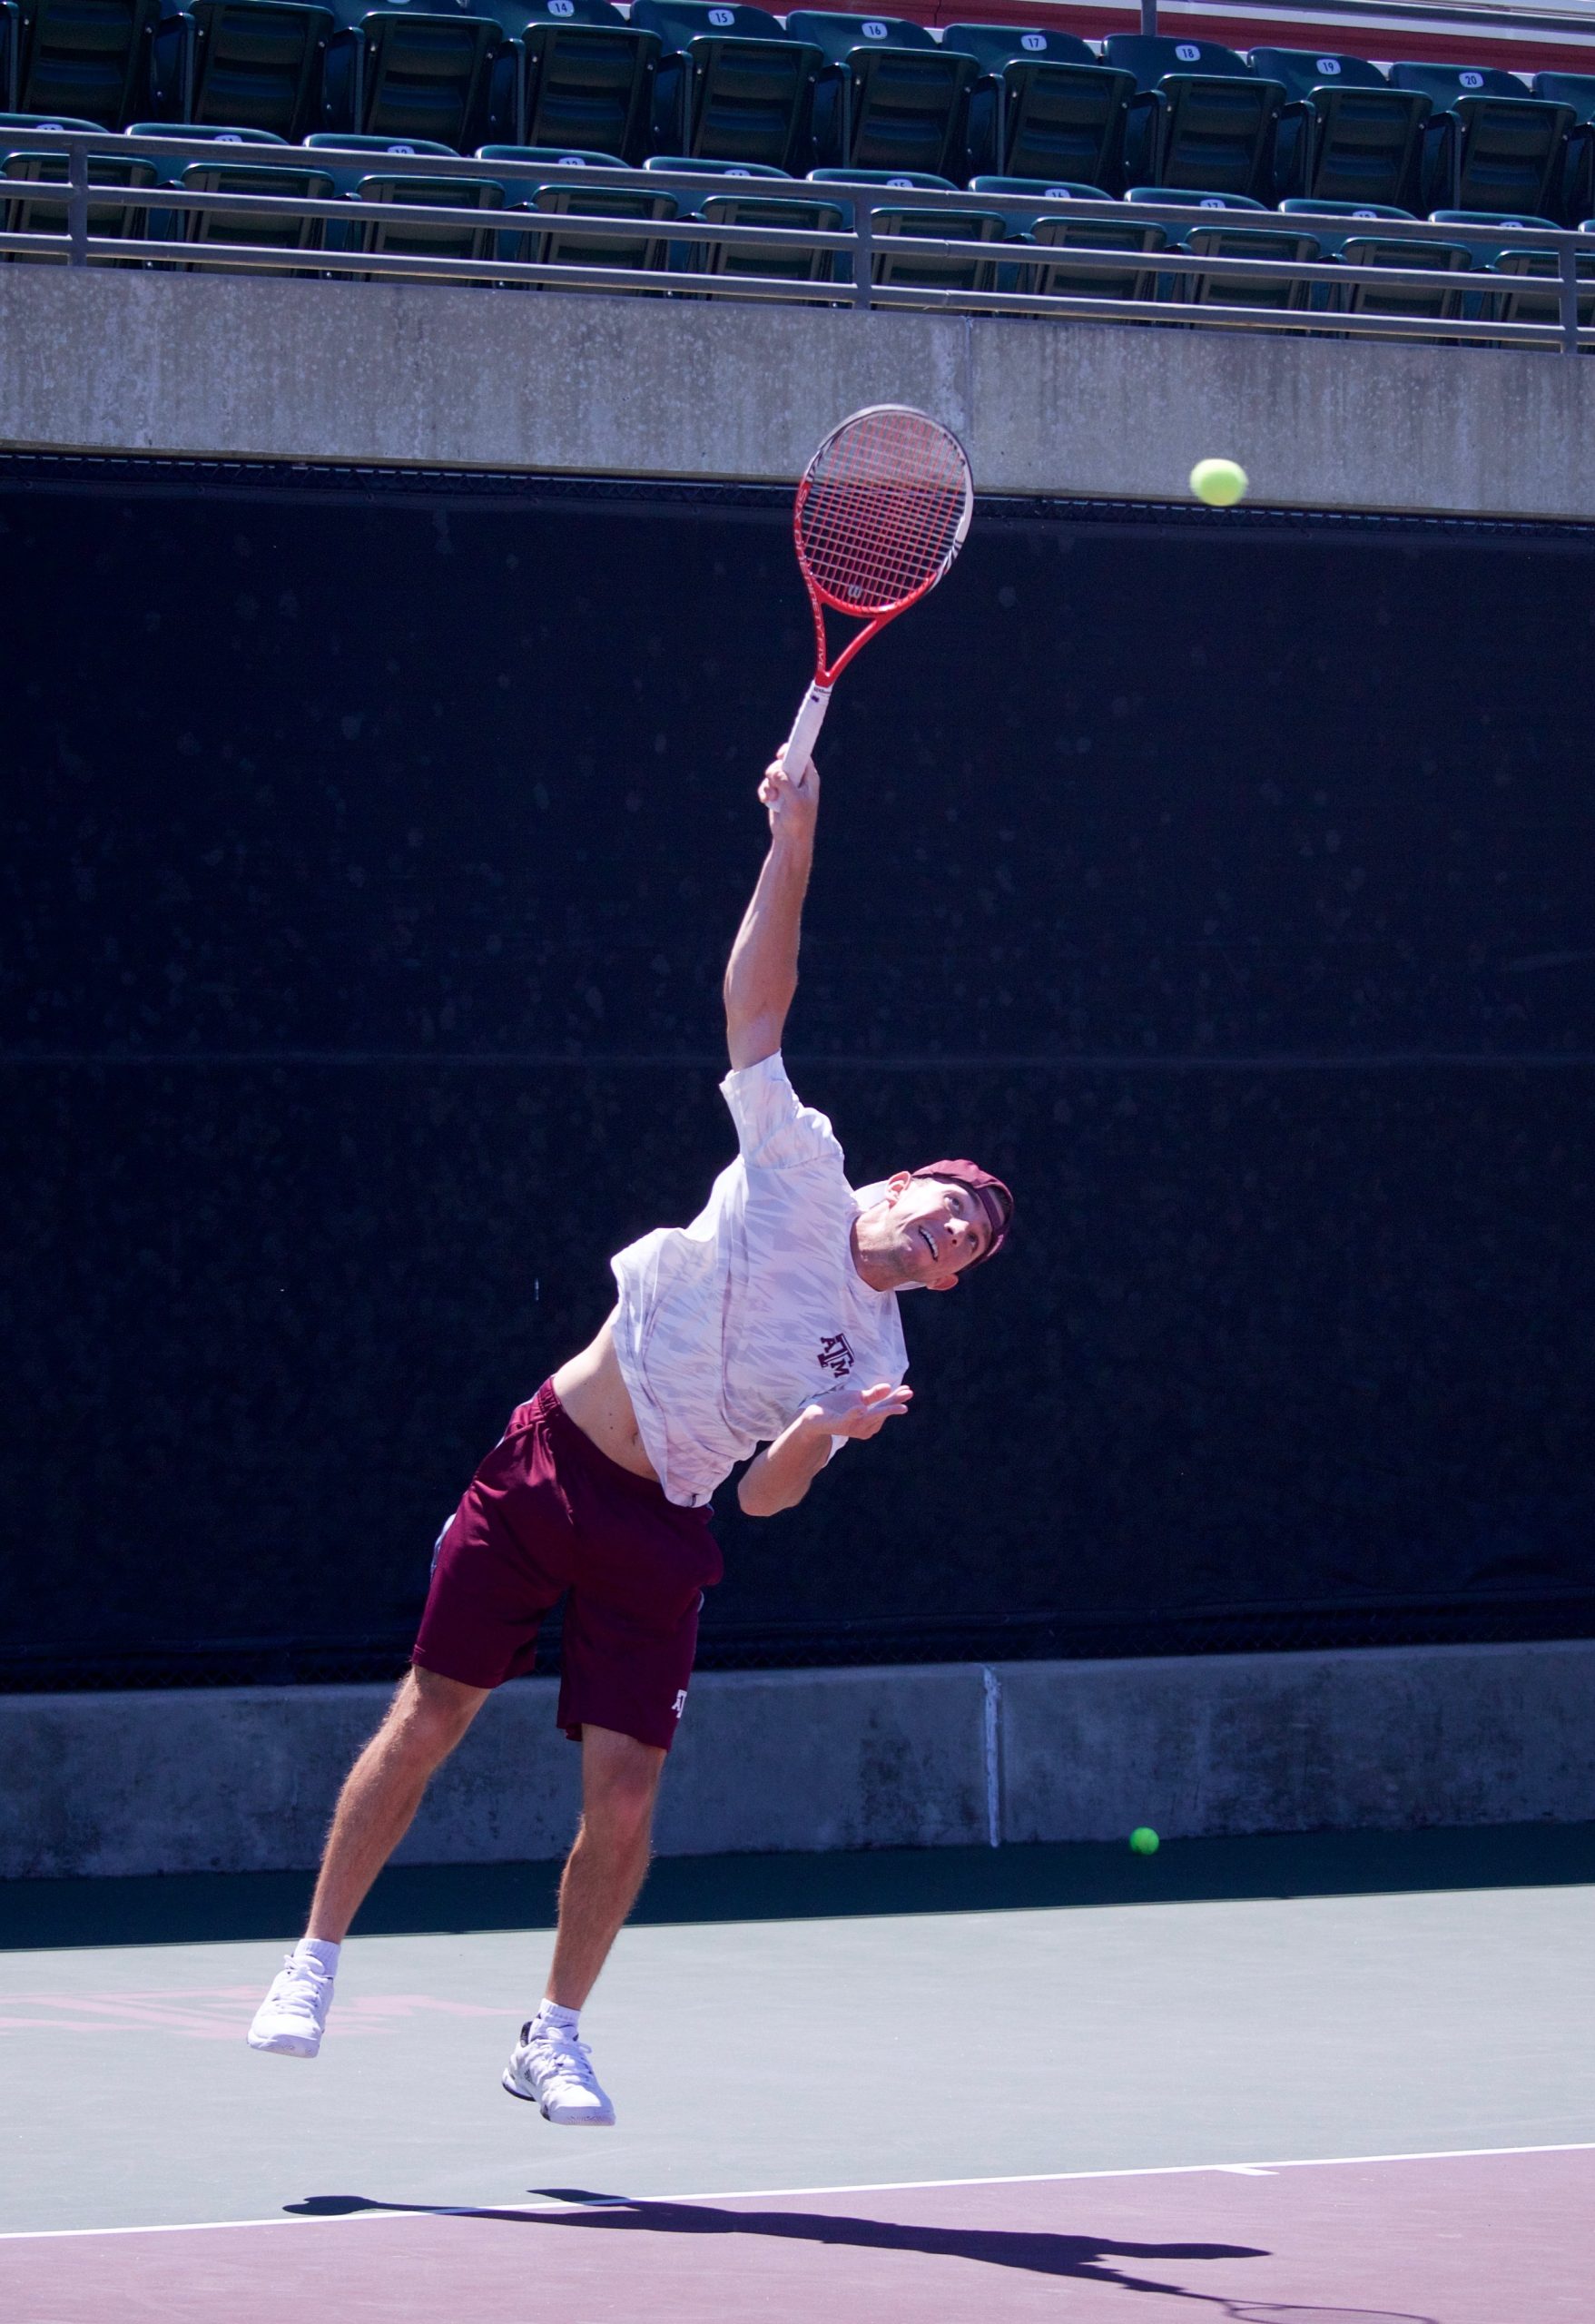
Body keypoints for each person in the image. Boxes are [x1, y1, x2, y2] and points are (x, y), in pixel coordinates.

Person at [247, 750, 1012, 2124]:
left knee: (628, 1795)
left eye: (969, 1243)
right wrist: (794, 837)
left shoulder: (879, 1356)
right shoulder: (799, 1157)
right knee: (431, 1718)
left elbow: (771, 1502)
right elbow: (756, 1000)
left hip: (664, 1526)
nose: (950, 1230)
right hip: (545, 1466)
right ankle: (312, 1960)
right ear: (900, 1187)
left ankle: (552, 2033)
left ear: (949, 1282)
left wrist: (823, 1434)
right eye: (947, 1204)